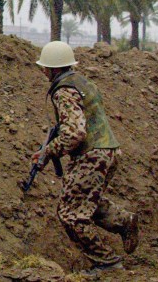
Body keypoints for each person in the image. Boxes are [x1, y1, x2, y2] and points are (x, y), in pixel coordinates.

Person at [32, 41, 139, 276]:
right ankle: (124, 222)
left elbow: (75, 133)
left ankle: (107, 263)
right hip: (107, 150)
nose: (43, 71)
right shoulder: (81, 82)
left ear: (53, 69)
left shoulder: (63, 90)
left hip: (92, 156)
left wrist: (50, 151)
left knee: (70, 214)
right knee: (85, 201)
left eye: (45, 67)